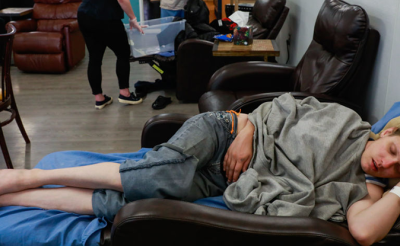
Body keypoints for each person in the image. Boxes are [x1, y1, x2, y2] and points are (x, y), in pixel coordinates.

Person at [1, 94, 400, 246]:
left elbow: (364, 233)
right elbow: (278, 107)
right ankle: (31, 177)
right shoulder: (345, 119)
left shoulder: (367, 192)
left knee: (122, 200)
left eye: (398, 168)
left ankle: (19, 194)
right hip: (224, 134)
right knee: (164, 175)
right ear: (388, 132)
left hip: (224, 180)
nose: (388, 161)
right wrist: (244, 129)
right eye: (394, 149)